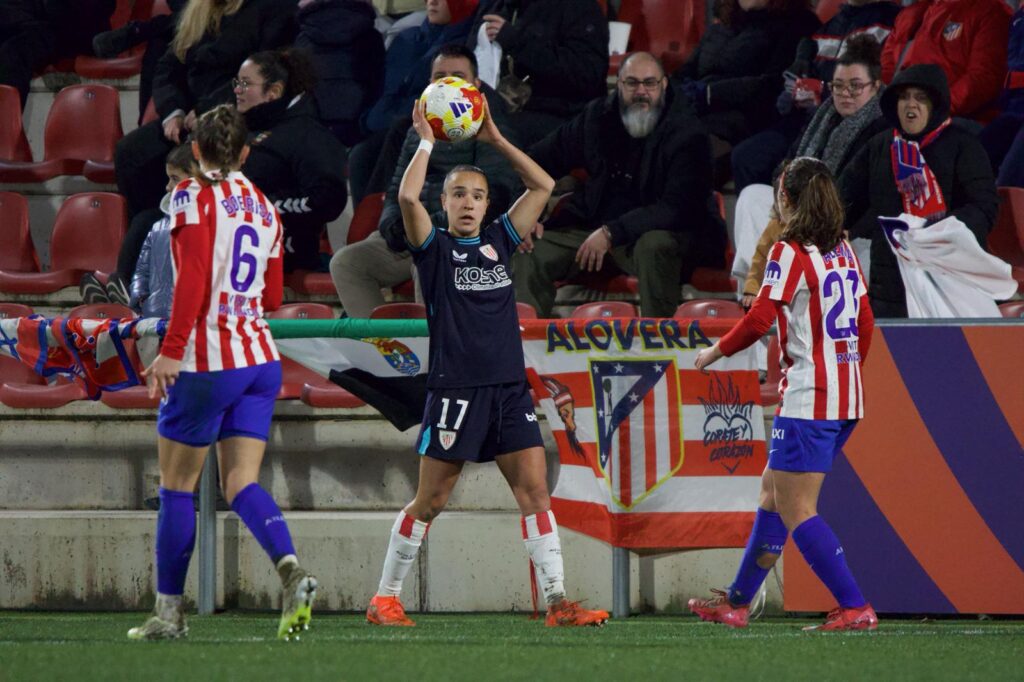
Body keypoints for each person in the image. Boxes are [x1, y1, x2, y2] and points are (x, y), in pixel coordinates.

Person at [364, 93, 608, 628]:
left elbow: (543, 186)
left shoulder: (501, 237)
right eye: (458, 195)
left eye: (477, 195)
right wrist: (426, 138)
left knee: (535, 492)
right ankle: (385, 597)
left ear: (488, 203)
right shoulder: (433, 249)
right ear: (445, 204)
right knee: (430, 501)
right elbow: (407, 199)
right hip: (455, 392)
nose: (469, 203)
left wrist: (496, 140)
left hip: (509, 391)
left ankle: (557, 601)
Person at [129, 105, 316, 641]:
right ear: (246, 153)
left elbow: (189, 284)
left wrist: (170, 349)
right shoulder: (264, 208)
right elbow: (276, 295)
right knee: (240, 482)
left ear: (196, 151)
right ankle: (289, 570)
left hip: (207, 360)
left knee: (176, 489)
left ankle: (168, 617)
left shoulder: (191, 197)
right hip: (259, 359)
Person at [689, 156, 878, 632]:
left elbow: (757, 320)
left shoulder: (788, 251)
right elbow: (866, 323)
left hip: (809, 399)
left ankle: (855, 607)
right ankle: (737, 603)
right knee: (773, 493)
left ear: (787, 198)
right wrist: (844, 371)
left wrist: (715, 351)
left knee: (796, 507)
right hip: (845, 397)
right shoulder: (843, 250)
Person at [513, 51, 725, 319]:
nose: (641, 92)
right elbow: (534, 162)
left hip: (660, 236)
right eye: (632, 83)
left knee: (654, 245)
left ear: (664, 85)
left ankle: (659, 346)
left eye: (650, 83)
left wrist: (612, 232)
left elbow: (677, 208)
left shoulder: (688, 133)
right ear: (619, 84)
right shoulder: (596, 117)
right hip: (593, 230)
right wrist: (529, 213)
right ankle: (526, 348)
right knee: (528, 250)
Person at [330, 43, 520, 318]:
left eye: (457, 76)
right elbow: (397, 188)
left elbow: (492, 200)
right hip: (412, 234)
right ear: (429, 83)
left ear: (476, 86)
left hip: (460, 239)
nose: (448, 84)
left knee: (428, 259)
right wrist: (392, 225)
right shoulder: (416, 131)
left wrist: (424, 228)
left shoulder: (490, 132)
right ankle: (383, 349)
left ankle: (434, 350)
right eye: (440, 77)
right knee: (348, 262)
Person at [732, 34, 890, 300]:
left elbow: (877, 199)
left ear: (875, 87)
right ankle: (755, 296)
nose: (845, 94)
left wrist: (822, 214)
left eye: (855, 86)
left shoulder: (883, 128)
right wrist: (786, 200)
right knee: (751, 197)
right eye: (838, 86)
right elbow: (787, 165)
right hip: (799, 215)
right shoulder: (823, 116)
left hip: (844, 230)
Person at [839, 64, 999, 318]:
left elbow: (984, 207)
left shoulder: (963, 145)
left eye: (920, 98)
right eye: (903, 97)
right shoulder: (880, 145)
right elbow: (843, 198)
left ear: (936, 105)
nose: (910, 105)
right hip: (888, 285)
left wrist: (937, 231)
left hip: (947, 277)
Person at [114, 0, 296, 218]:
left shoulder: (273, 9)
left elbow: (259, 77)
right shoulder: (197, 10)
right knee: (130, 153)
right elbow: (167, 69)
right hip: (190, 117)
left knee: (206, 157)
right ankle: (155, 226)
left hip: (242, 117)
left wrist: (207, 110)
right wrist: (173, 111)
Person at [729, 0, 900, 191]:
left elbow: (880, 86)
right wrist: (793, 91)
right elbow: (807, 75)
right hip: (808, 119)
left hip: (857, 120)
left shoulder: (893, 22)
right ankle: (776, 217)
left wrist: (824, 93)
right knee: (747, 157)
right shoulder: (827, 27)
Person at [670, 0, 819, 186]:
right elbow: (685, 72)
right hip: (694, 113)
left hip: (745, 121)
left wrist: (710, 93)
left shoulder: (797, 23)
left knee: (687, 155)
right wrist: (675, 93)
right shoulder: (720, 26)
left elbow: (774, 84)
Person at [348, 0, 480, 206]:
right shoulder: (406, 38)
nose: (432, 2)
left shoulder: (463, 48)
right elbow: (383, 88)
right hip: (383, 122)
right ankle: (364, 222)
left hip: (420, 124)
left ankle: (378, 220)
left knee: (378, 153)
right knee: (360, 155)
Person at [235, 49, 348, 273]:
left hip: (285, 254)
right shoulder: (246, 129)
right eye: (237, 82)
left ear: (274, 91)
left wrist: (263, 207)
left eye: (246, 84)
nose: (237, 90)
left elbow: (328, 198)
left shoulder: (309, 136)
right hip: (239, 244)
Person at [466, 0, 609, 147]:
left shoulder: (578, 6)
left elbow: (587, 73)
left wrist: (517, 42)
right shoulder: (494, 5)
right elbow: (468, 56)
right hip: (498, 106)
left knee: (490, 133)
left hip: (559, 114)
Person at [880, 0, 1012, 122]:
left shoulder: (991, 11)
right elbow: (886, 68)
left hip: (955, 120)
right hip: (898, 115)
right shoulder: (911, 14)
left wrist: (936, 108)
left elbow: (983, 78)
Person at [294, 0, 385, 147]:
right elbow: (377, 85)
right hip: (355, 131)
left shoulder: (304, 36)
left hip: (308, 127)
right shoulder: (371, 37)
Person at [129, 144, 199, 320]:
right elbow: (142, 271)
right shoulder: (158, 227)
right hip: (156, 319)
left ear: (197, 180)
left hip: (194, 323)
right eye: (168, 178)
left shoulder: (212, 225)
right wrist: (140, 298)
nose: (168, 187)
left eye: (175, 178)